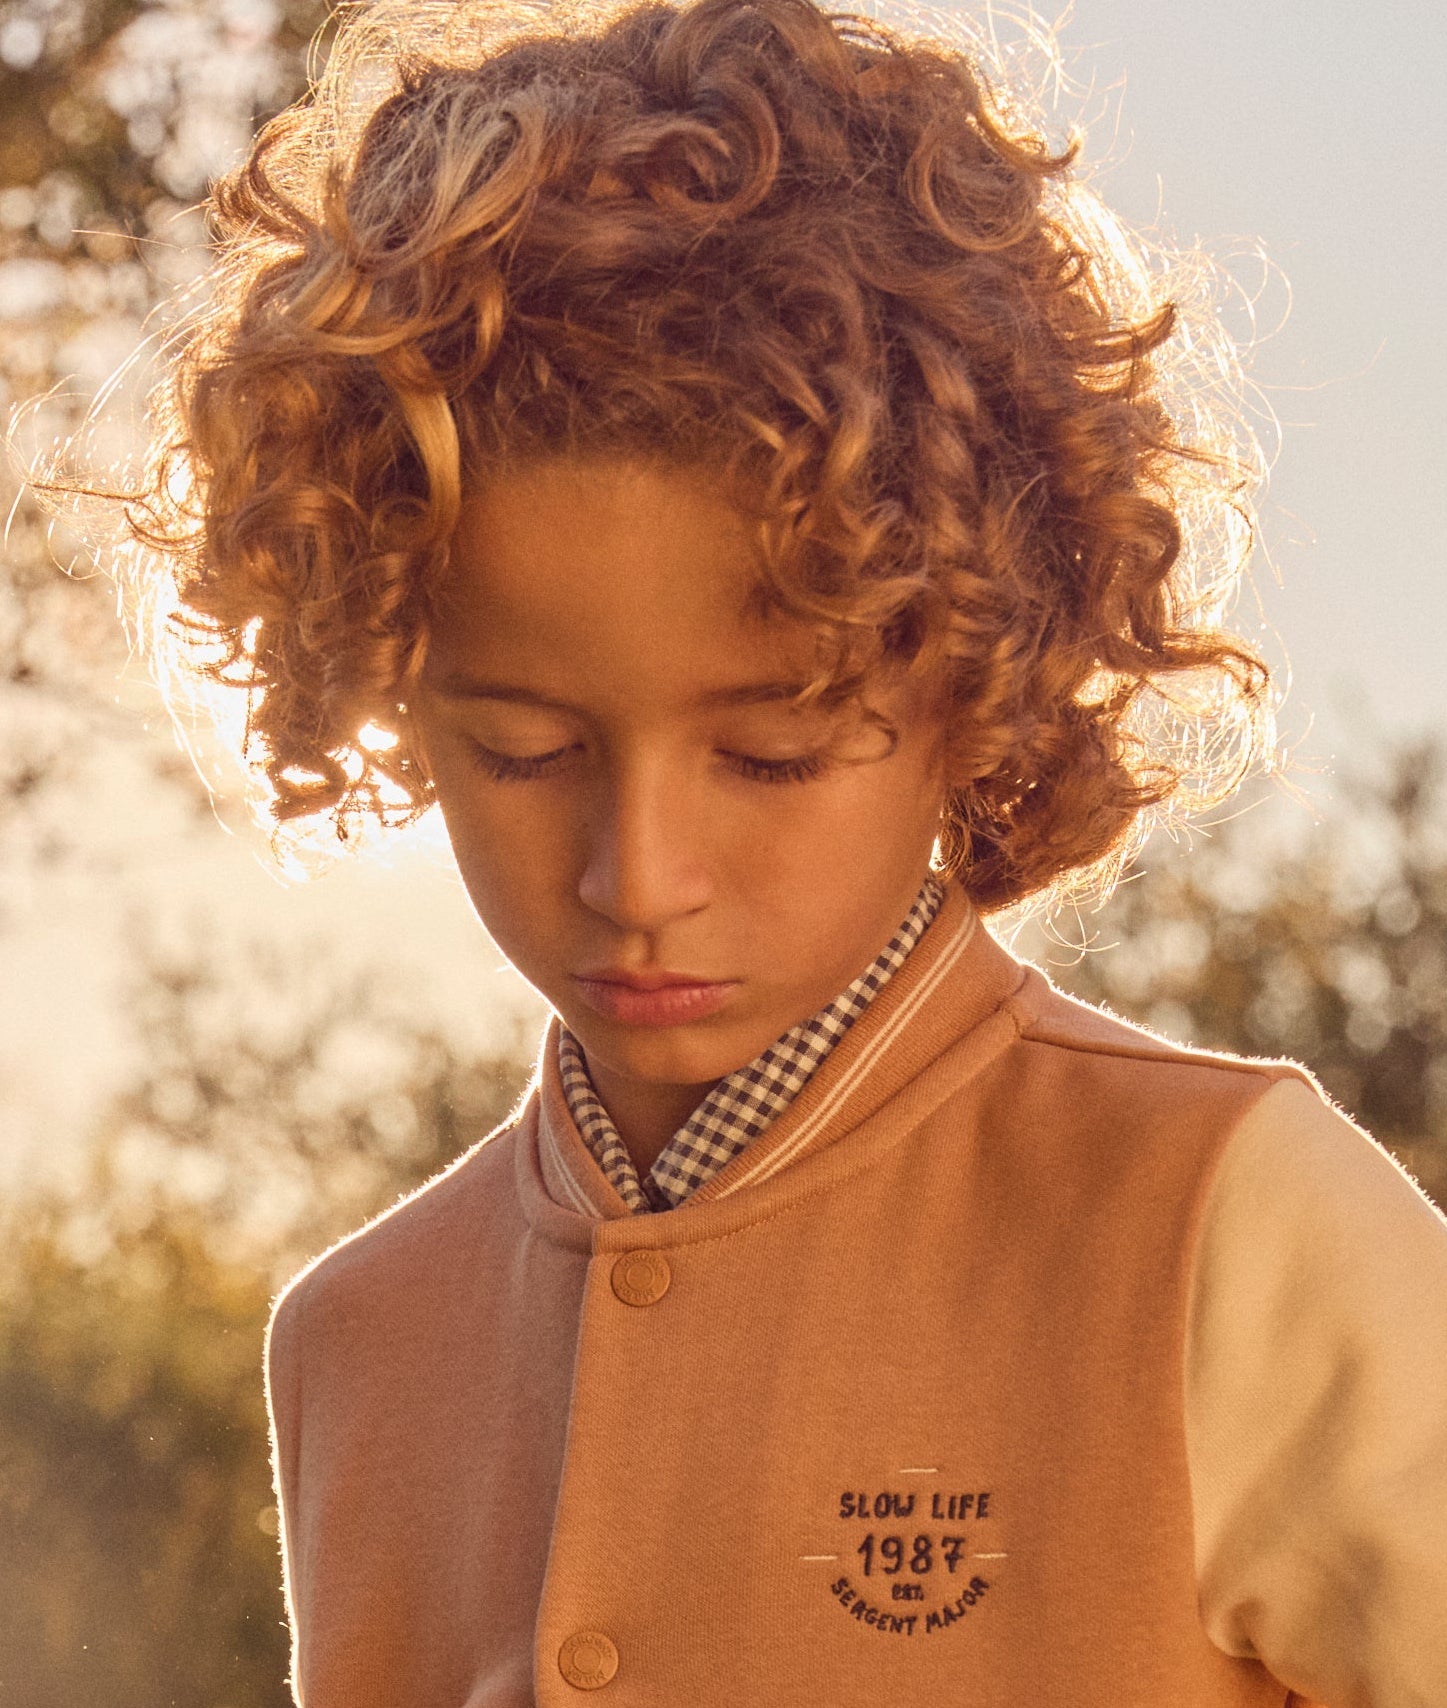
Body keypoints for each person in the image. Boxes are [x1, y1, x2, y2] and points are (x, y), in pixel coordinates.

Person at [76, 0, 1447, 1701]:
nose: (638, 879)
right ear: (383, 688)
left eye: (772, 753)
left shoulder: (1234, 1227)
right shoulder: (356, 1337)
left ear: (981, 685)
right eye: (524, 750)